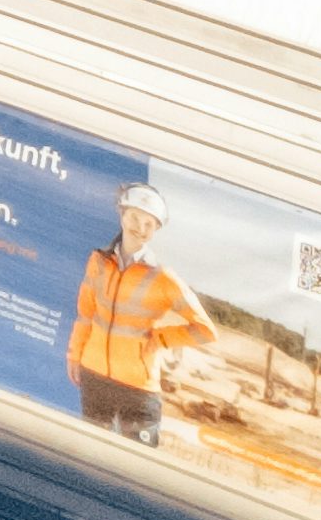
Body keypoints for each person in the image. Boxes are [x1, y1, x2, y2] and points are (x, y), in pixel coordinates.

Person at [67, 191, 214, 445]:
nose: (141, 228)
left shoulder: (162, 278)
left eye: (149, 224)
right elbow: (86, 313)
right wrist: (74, 354)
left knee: (137, 466)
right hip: (95, 375)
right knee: (89, 455)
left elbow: (205, 329)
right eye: (136, 218)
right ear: (123, 215)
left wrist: (160, 338)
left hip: (138, 388)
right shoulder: (98, 262)